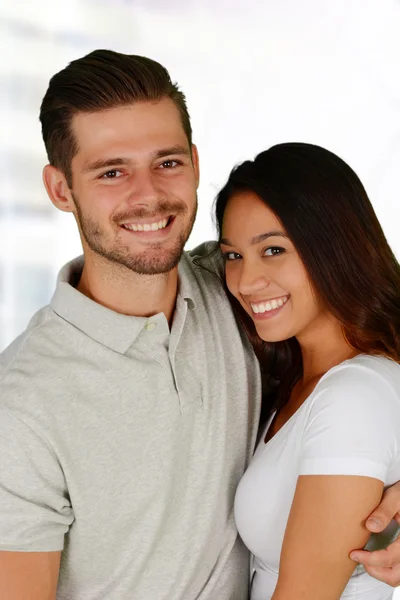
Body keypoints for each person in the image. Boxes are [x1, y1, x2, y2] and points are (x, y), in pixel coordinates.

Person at [0, 50, 398, 599]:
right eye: (112, 171)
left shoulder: (242, 289)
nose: (148, 195)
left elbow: (362, 315)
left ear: (194, 161)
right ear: (61, 189)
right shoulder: (21, 403)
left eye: (166, 163)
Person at [215, 141, 400, 599]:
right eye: (233, 255)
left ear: (335, 247)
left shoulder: (353, 396)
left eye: (273, 249)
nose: (246, 281)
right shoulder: (298, 384)